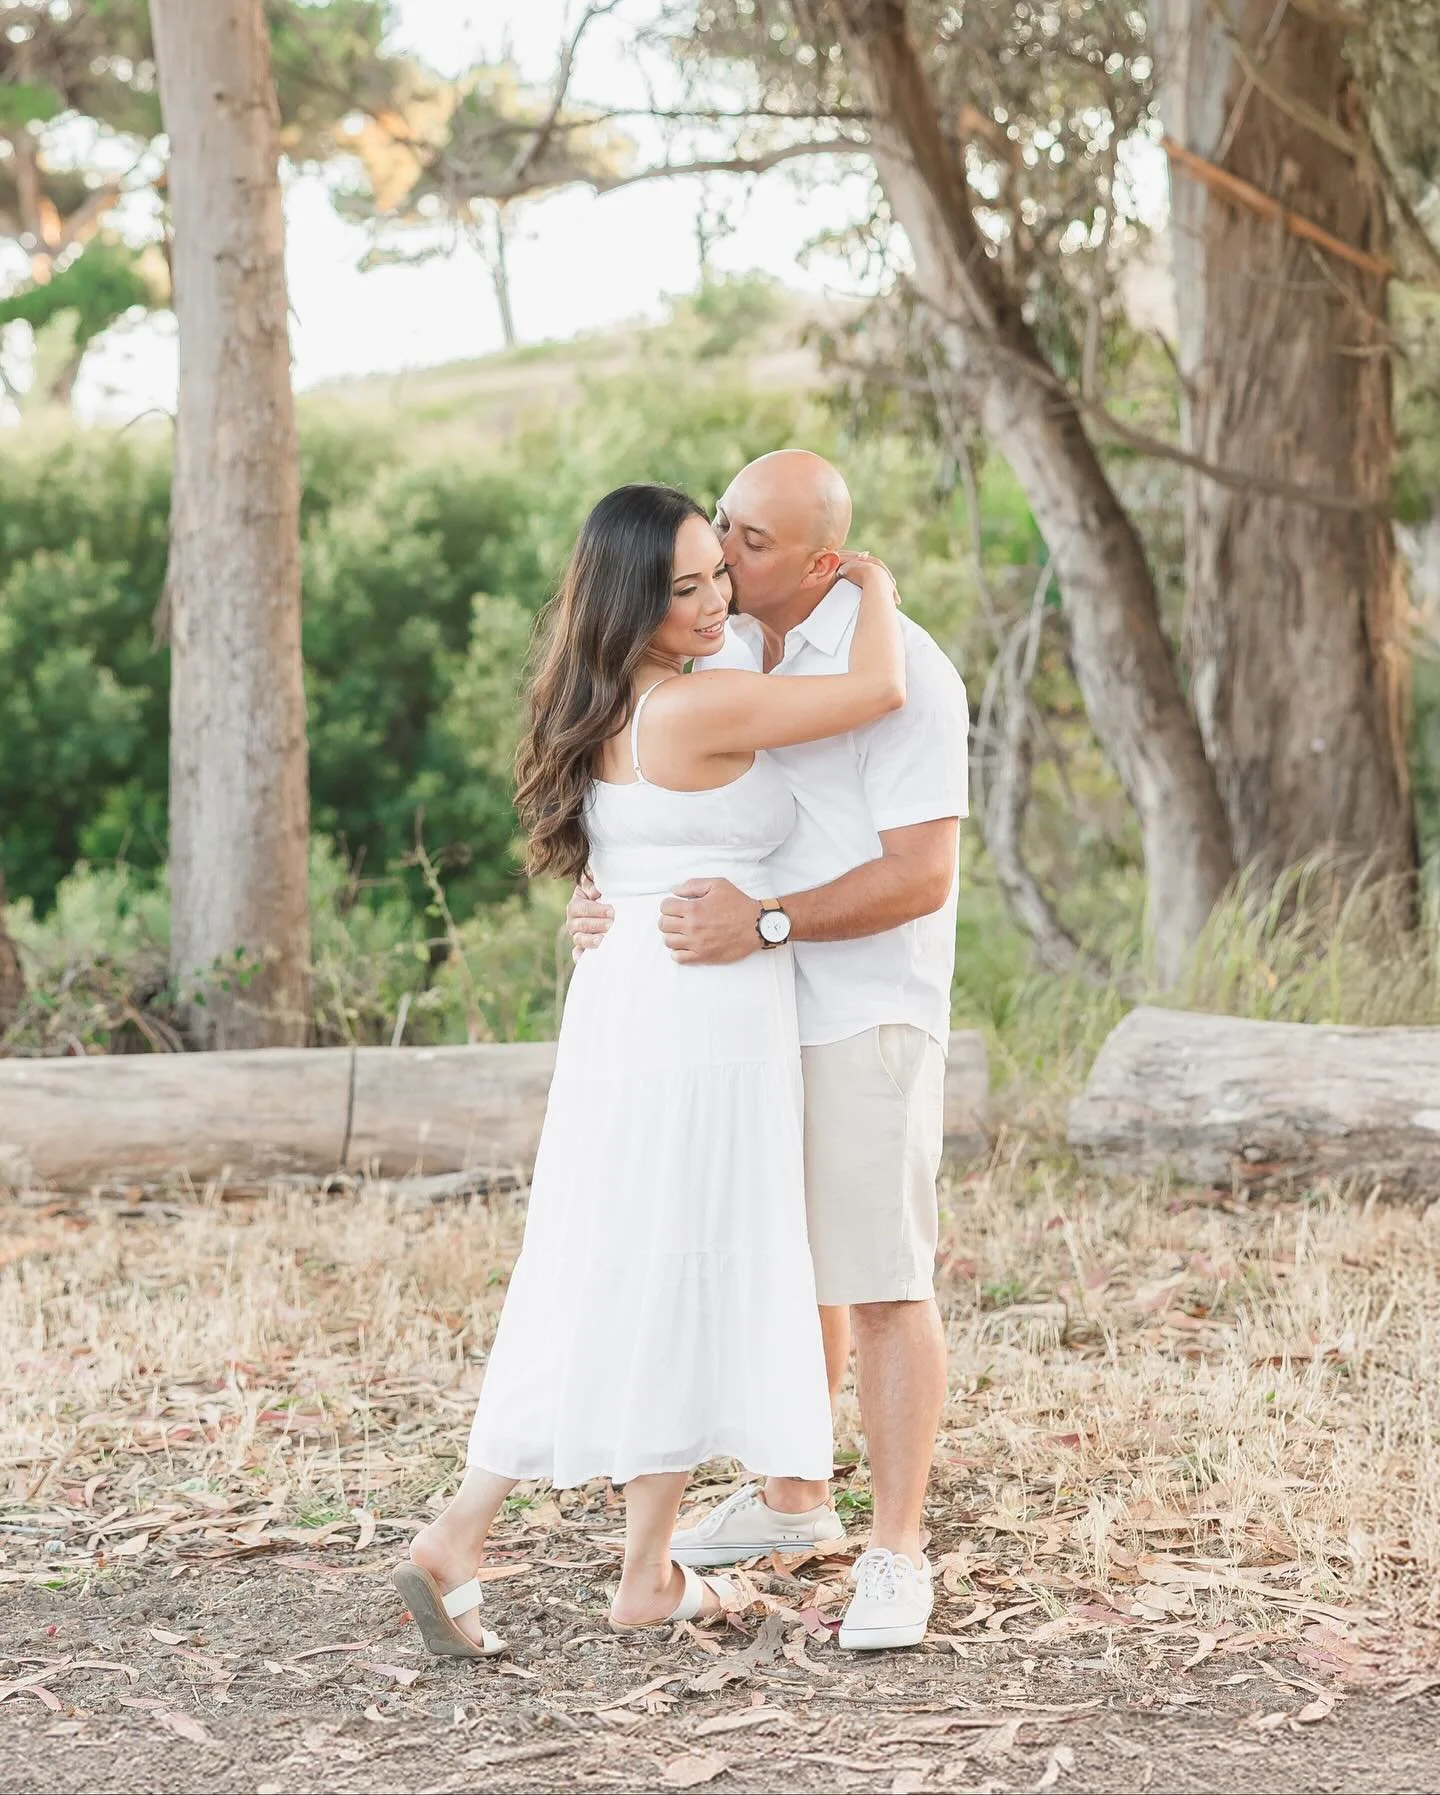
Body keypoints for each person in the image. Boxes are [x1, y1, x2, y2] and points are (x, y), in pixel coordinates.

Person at [394, 481, 907, 1656]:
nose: (716, 600)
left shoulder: (610, 708)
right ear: (633, 604)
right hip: (699, 1020)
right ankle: (472, 1534)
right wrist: (866, 579)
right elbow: (877, 688)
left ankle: (638, 1569)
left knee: (631, 1266)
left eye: (718, 574)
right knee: (678, 1262)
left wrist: (599, 909)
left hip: (632, 1002)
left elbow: (617, 861)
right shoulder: (699, 705)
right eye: (685, 590)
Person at [568, 450, 968, 1652]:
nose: (719, 561)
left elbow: (922, 871)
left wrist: (772, 922)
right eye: (721, 532)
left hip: (858, 999)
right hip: (742, 1008)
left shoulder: (911, 672)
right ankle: (797, 1497)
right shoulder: (723, 648)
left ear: (822, 564)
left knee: (883, 1277)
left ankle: (896, 1551)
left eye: (745, 544)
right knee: (782, 1258)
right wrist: (600, 897)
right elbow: (661, 796)